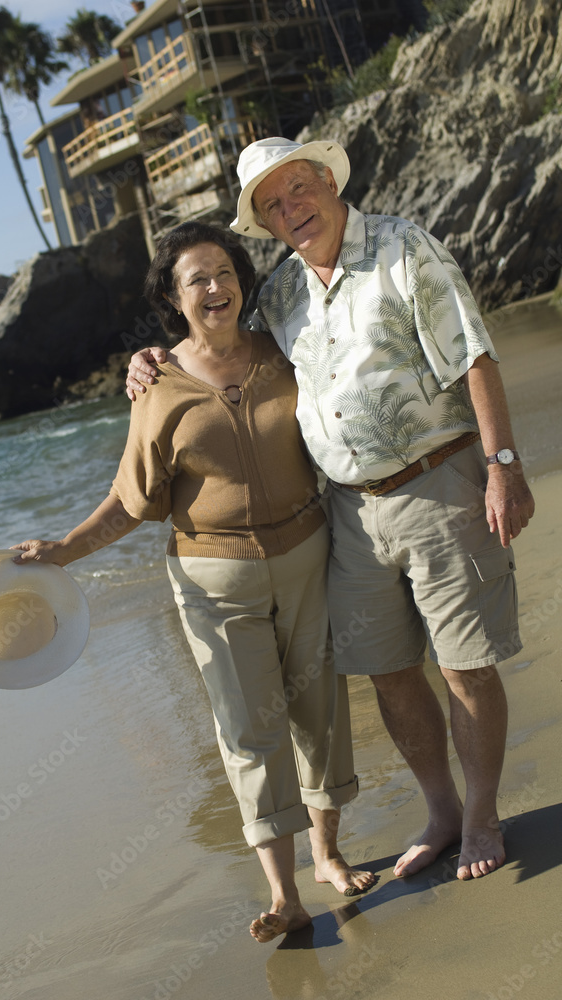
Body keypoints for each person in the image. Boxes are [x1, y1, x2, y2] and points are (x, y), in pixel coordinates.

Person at [126, 139, 535, 882]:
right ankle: (440, 811)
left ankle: (481, 817)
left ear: (326, 182)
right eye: (274, 206)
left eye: (299, 189)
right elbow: (223, 346)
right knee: (387, 670)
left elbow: (473, 353)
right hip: (348, 513)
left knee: (464, 666)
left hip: (438, 484)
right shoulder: (281, 292)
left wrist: (503, 466)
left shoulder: (403, 247)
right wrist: (153, 359)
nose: (292, 210)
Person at [12, 221, 375, 944]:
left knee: (320, 709)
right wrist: (64, 550)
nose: (215, 288)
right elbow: (131, 499)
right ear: (174, 301)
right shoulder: (158, 384)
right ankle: (284, 894)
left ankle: (328, 855)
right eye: (196, 280)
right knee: (248, 729)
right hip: (216, 579)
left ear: (242, 279)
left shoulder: (284, 349)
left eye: (224, 272)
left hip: (307, 554)